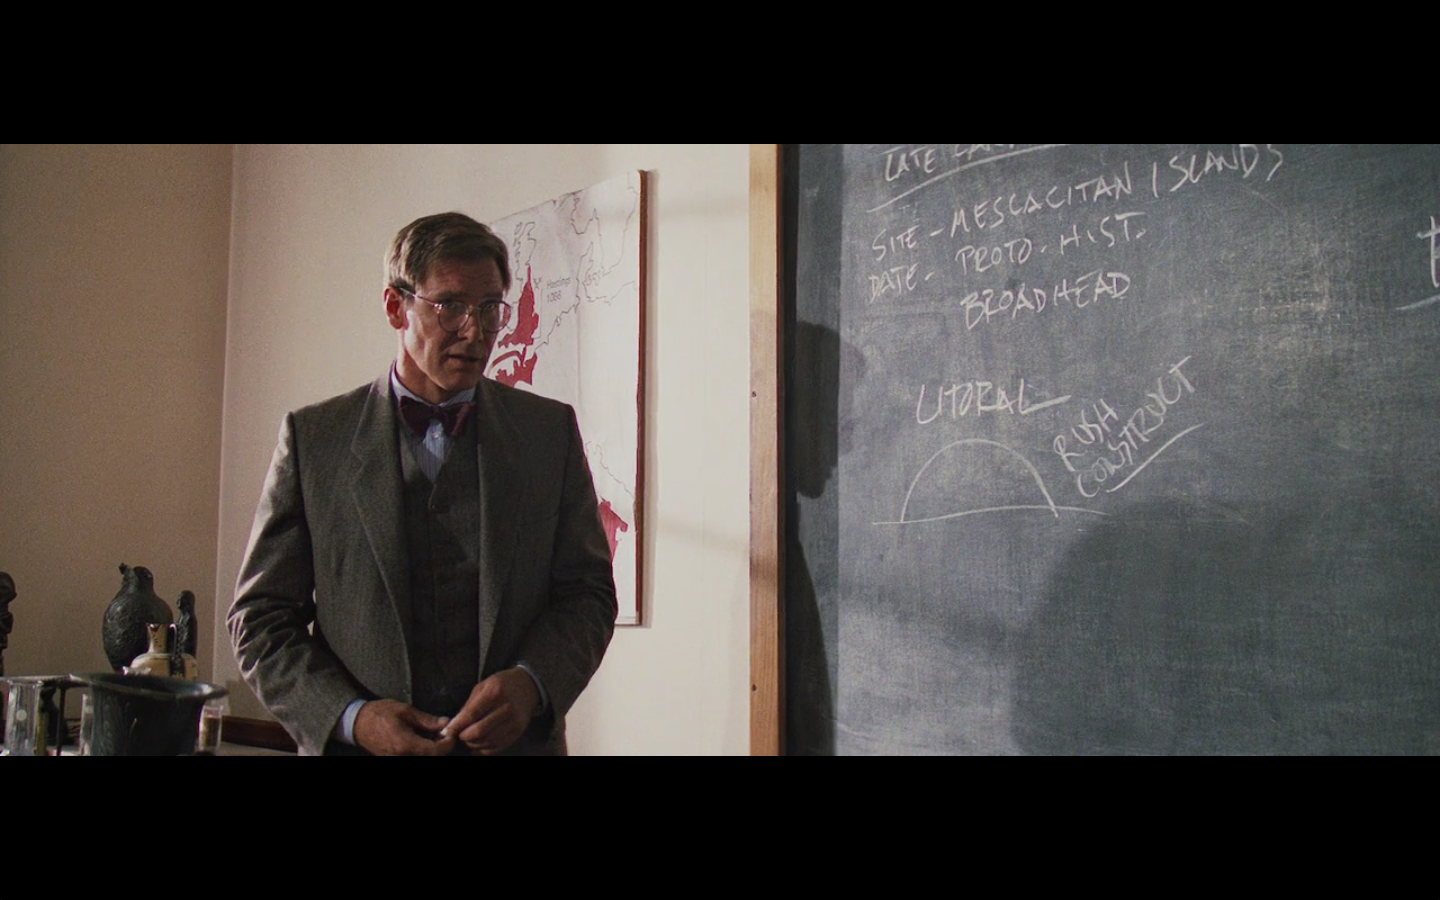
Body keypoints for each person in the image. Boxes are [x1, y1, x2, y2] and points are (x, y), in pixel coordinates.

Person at [228, 212, 617, 756]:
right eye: (450, 306)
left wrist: (533, 683)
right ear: (396, 307)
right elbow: (260, 621)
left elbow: (588, 595)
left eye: (490, 308)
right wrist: (353, 718)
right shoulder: (315, 441)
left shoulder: (547, 435)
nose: (475, 331)